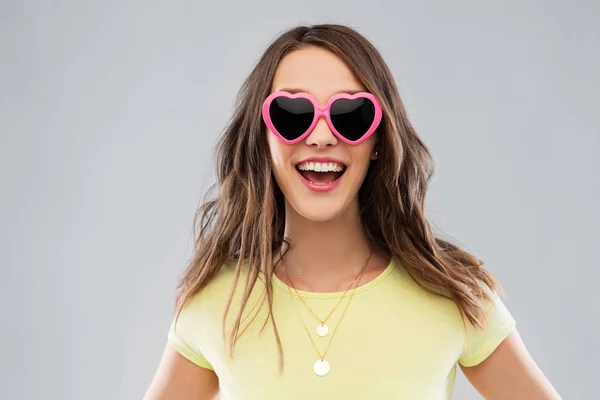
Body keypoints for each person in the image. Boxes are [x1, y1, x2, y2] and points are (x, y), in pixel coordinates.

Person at [144, 24, 560, 400]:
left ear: (378, 139)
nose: (322, 136)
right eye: (293, 115)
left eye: (351, 115)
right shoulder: (216, 301)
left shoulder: (455, 297)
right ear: (262, 138)